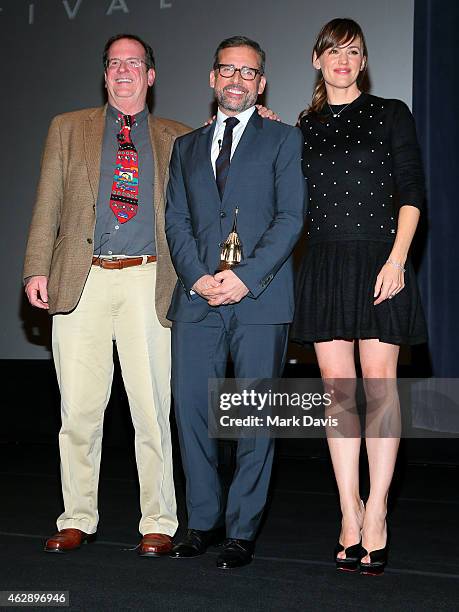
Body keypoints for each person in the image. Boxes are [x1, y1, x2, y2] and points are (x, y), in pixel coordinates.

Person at [23, 33, 190, 556]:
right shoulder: (68, 128)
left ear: (151, 75)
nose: (123, 71)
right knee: (78, 410)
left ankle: (158, 521)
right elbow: (47, 201)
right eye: (114, 63)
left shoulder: (179, 137)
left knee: (153, 408)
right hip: (81, 278)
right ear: (105, 75)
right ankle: (76, 517)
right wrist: (35, 267)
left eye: (133, 63)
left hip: (149, 279)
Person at [290, 18, 427, 575]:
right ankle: (349, 510)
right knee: (338, 397)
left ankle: (378, 511)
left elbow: (413, 192)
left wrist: (398, 260)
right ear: (317, 60)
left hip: (379, 262)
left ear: (363, 60)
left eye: (353, 50)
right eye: (333, 50)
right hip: (323, 263)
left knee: (380, 390)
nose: (343, 59)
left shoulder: (392, 112)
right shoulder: (302, 126)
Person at [165, 36, 306, 569]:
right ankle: (202, 522)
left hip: (260, 299)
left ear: (261, 83)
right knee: (194, 416)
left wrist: (244, 278)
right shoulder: (185, 147)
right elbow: (175, 220)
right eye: (228, 69)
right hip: (196, 301)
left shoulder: (284, 140)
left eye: (248, 73)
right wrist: (199, 277)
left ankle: (241, 530)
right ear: (211, 77)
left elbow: (291, 218)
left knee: (252, 421)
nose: (237, 79)